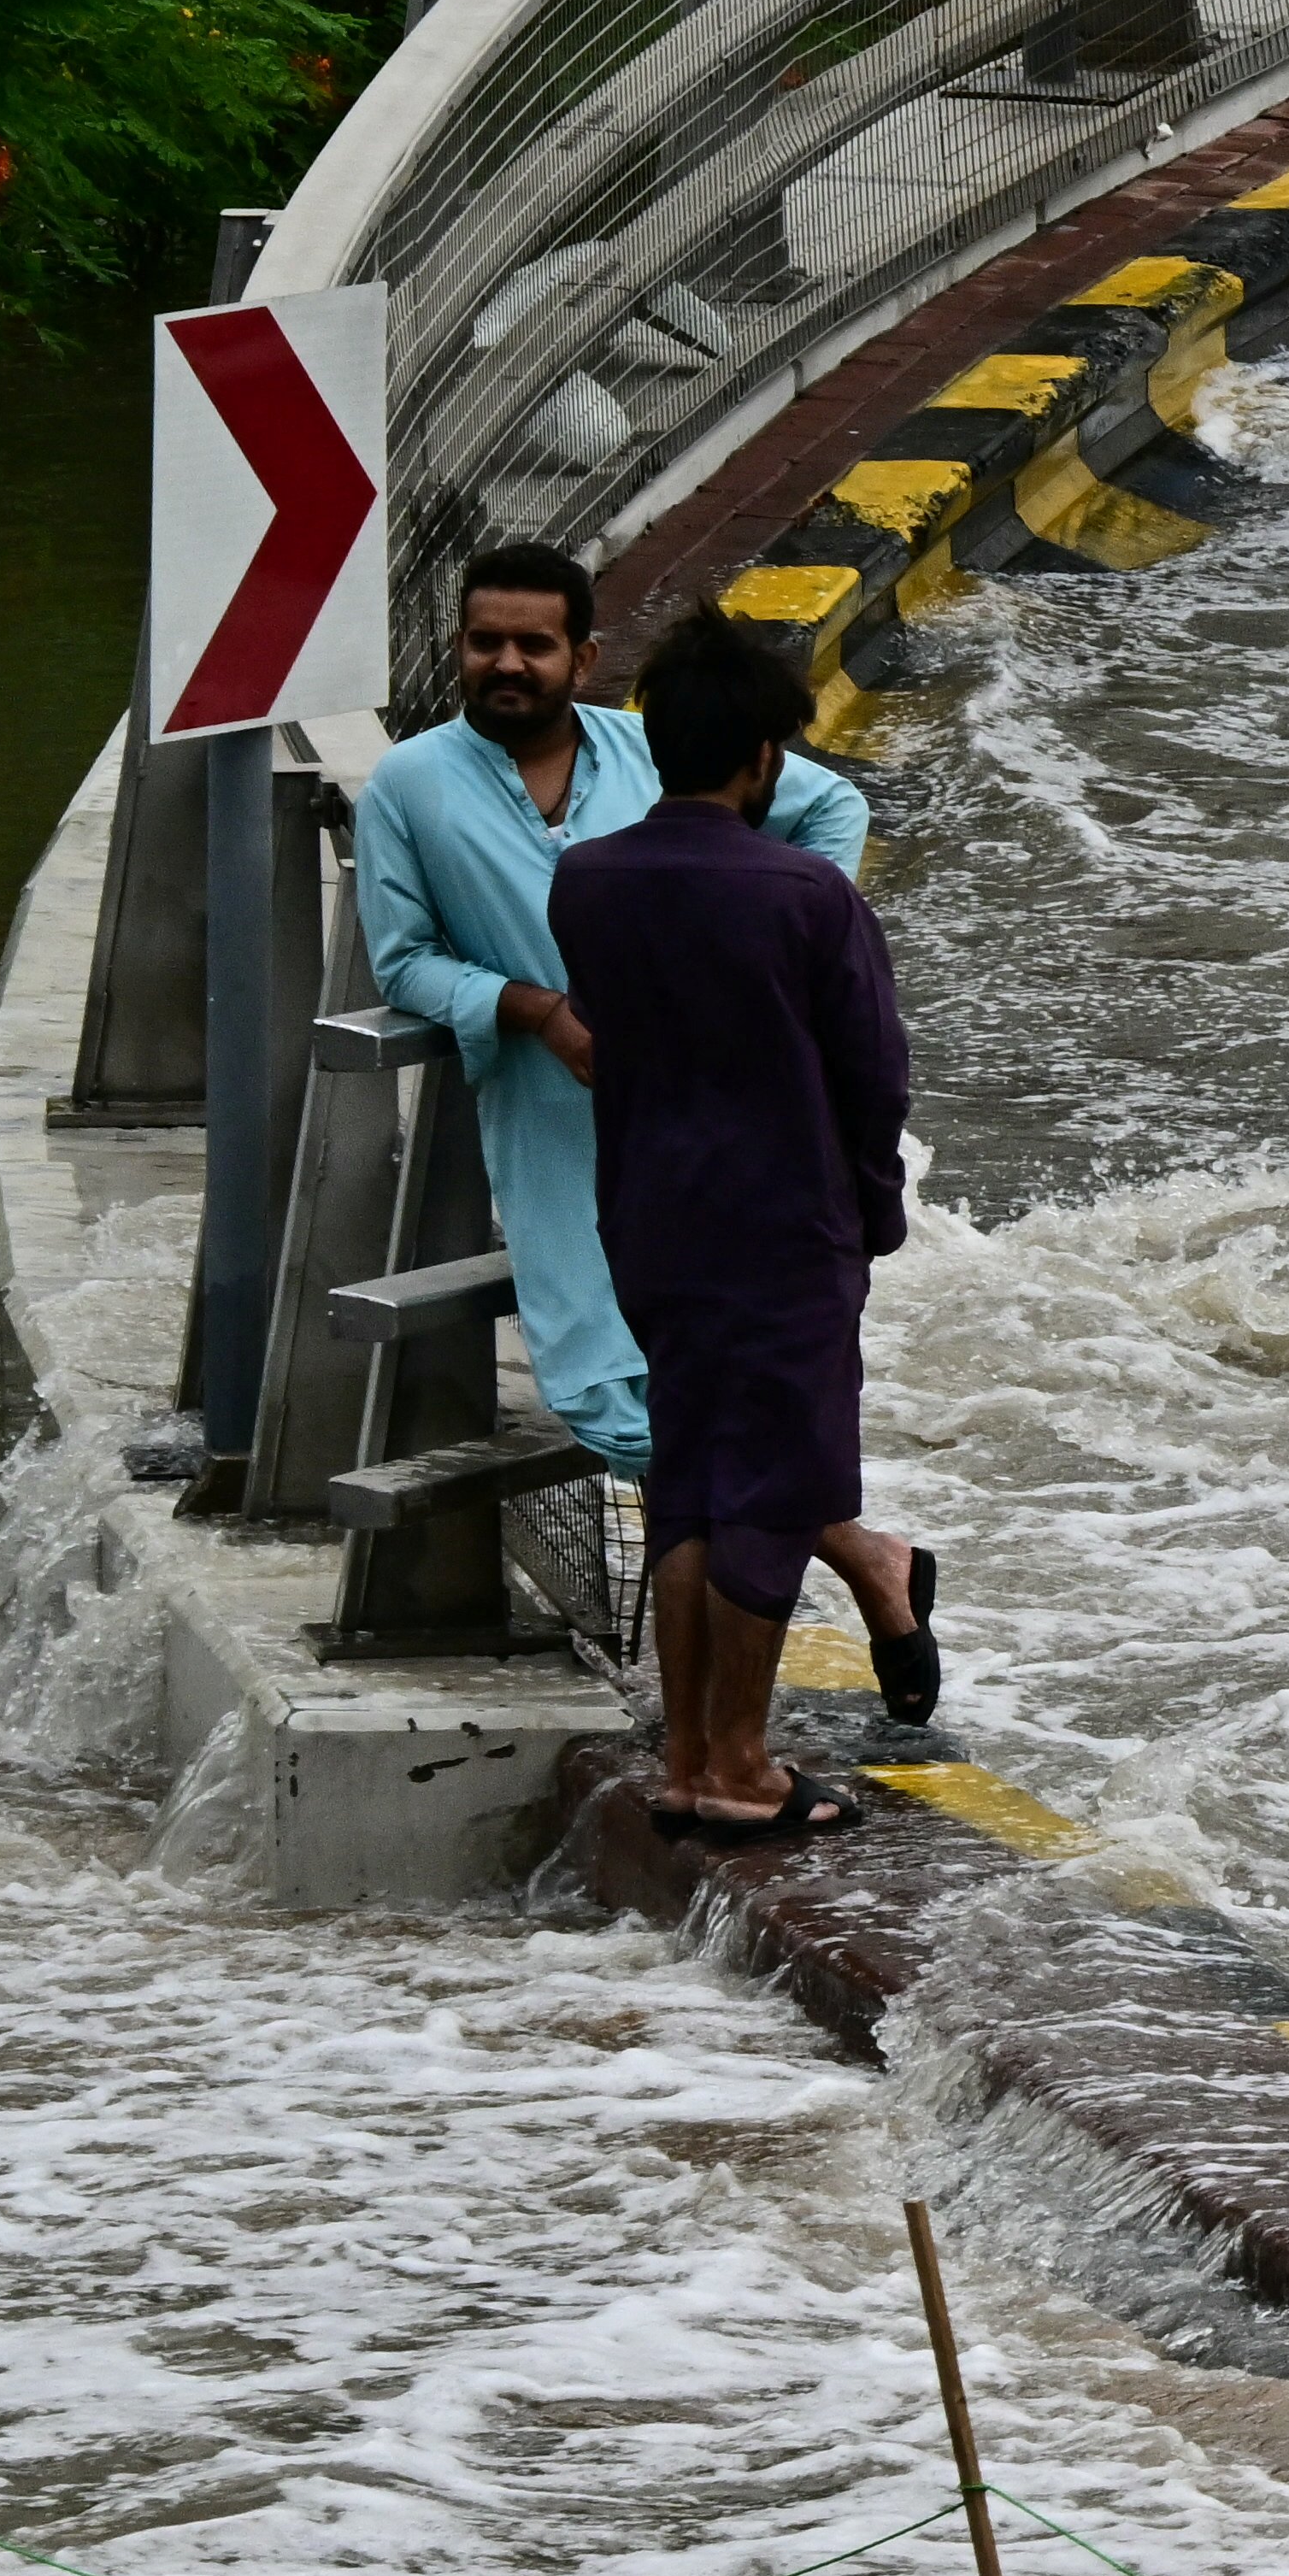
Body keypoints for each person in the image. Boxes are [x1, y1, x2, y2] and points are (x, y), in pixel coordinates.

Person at [350, 545, 937, 1713]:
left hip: (719, 1121)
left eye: (533, 644)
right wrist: (531, 1008)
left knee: (721, 1390)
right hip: (563, 1125)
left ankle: (726, 1725)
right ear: (457, 649)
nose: (506, 664)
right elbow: (405, 960)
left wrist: (753, 971)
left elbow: (832, 810)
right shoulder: (408, 787)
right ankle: (866, 1561)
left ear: (584, 656)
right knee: (613, 1394)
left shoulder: (654, 750)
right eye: (484, 642)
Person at [550, 619, 933, 1842]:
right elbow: (873, 1079)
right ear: (765, 757)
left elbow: (608, 1040)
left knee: (691, 1487)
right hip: (783, 1225)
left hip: (650, 1219)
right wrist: (872, 1214)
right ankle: (745, 1771)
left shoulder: (588, 880)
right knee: (773, 1493)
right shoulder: (806, 893)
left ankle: (683, 1758)